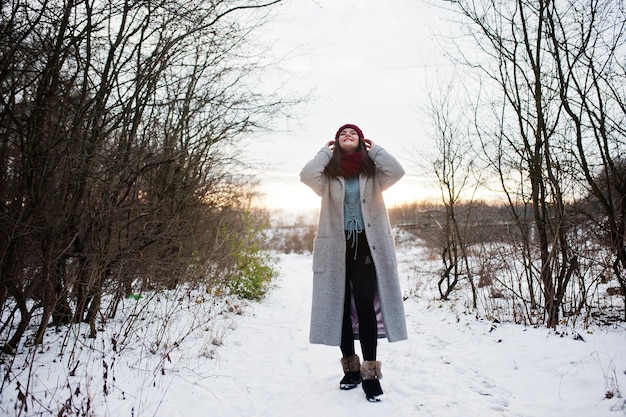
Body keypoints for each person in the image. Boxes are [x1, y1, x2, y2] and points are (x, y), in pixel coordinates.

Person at [300, 123, 408, 402]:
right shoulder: (328, 176)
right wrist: (325, 152)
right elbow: (306, 175)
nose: (348, 136)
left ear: (361, 141)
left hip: (367, 248)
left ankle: (370, 373)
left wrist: (377, 150)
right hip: (336, 248)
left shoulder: (372, 173)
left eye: (353, 134)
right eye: (342, 134)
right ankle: (350, 368)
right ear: (336, 142)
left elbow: (396, 171)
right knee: (340, 308)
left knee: (364, 306)